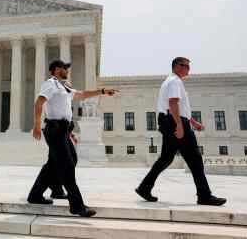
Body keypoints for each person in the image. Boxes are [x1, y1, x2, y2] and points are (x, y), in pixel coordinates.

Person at [27, 60, 118, 217]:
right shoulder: (50, 84)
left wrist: (102, 91)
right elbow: (39, 102)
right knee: (67, 165)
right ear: (56, 70)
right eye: (65, 68)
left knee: (59, 162)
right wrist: (36, 124)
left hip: (63, 131)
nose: (67, 70)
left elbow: (82, 95)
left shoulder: (64, 86)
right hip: (54, 130)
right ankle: (77, 206)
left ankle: (39, 194)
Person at [135, 57, 226, 206]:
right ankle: (204, 195)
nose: (188, 70)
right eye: (186, 67)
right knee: (195, 159)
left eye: (189, 67)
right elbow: (173, 103)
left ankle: (144, 187)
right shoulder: (175, 81)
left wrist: (193, 122)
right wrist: (179, 125)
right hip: (174, 121)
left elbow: (180, 108)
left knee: (166, 158)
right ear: (177, 66)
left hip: (170, 120)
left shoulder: (171, 81)